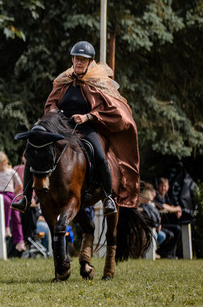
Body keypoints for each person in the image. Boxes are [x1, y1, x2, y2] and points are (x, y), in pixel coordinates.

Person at [14, 41, 139, 216]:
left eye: (83, 60)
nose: (79, 62)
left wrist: (88, 116)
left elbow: (112, 111)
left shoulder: (97, 84)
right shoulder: (64, 82)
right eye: (76, 59)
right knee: (34, 146)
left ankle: (108, 197)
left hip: (85, 129)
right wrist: (54, 113)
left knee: (100, 156)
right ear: (72, 60)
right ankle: (26, 197)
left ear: (89, 62)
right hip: (60, 128)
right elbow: (51, 104)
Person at [0, 151, 24, 253]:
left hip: (11, 194)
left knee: (16, 217)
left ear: (3, 163)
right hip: (1, 194)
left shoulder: (11, 172)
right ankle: (6, 227)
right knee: (7, 202)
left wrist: (13, 193)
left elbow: (20, 185)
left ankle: (19, 241)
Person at [154, 177, 183, 258]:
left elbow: (170, 206)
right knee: (170, 234)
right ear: (158, 186)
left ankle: (167, 254)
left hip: (163, 224)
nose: (163, 188)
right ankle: (161, 253)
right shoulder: (156, 195)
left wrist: (178, 210)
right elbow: (163, 206)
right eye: (161, 186)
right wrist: (176, 209)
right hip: (157, 225)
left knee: (177, 229)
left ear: (168, 187)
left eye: (165, 186)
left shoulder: (165, 196)